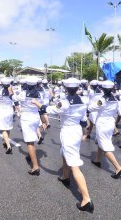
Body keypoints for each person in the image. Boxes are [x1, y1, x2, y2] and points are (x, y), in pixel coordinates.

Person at [32, 78, 94, 213]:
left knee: (75, 166)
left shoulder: (64, 102)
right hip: (77, 130)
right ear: (77, 88)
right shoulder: (84, 101)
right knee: (66, 154)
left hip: (69, 132)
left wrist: (36, 103)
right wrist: (84, 133)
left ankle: (86, 199)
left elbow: (47, 109)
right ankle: (65, 176)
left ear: (65, 88)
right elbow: (84, 122)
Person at [88, 80, 121, 179]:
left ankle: (118, 168)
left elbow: (91, 108)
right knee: (102, 141)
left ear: (103, 89)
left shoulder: (102, 99)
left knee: (105, 146)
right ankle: (97, 159)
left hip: (103, 123)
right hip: (110, 122)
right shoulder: (115, 98)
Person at [14, 76, 43, 175]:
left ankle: (35, 167)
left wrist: (10, 91)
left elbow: (14, 99)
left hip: (27, 118)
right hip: (35, 117)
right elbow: (41, 106)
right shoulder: (39, 94)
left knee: (29, 142)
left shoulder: (22, 93)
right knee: (32, 137)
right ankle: (31, 156)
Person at [0, 78, 15, 154]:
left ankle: (8, 145)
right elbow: (14, 100)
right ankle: (6, 141)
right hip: (10, 110)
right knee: (8, 127)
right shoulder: (12, 92)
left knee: (3, 129)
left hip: (2, 110)